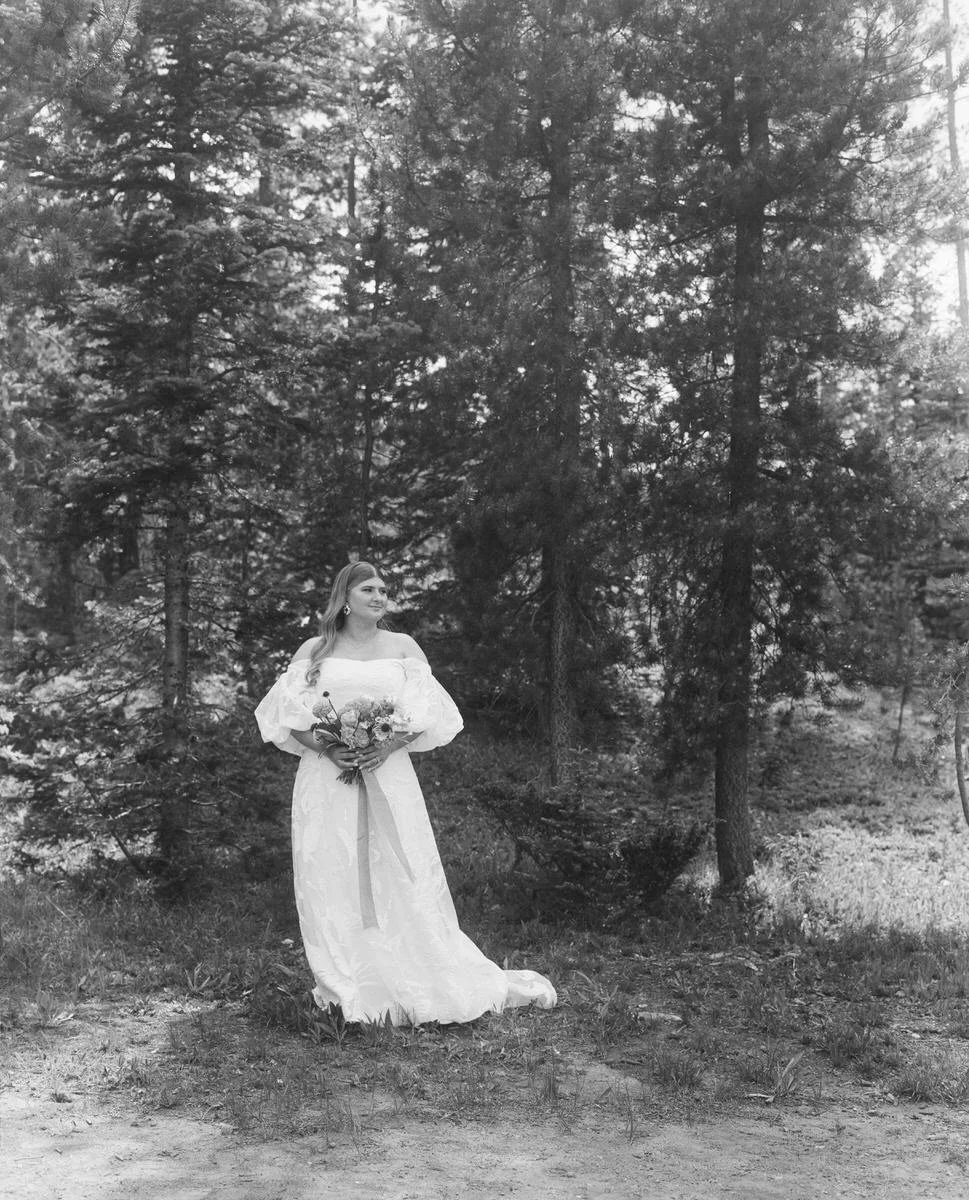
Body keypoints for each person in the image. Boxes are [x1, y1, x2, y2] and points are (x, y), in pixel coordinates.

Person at [254, 560, 557, 1025]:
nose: (380, 597)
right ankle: (347, 985)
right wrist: (329, 748)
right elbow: (287, 716)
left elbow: (425, 711)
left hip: (388, 773)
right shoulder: (315, 649)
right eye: (369, 589)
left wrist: (387, 744)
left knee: (400, 869)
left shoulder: (402, 646)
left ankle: (414, 976)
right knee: (330, 872)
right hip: (327, 779)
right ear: (345, 597)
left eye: (384, 590)